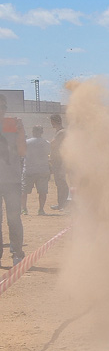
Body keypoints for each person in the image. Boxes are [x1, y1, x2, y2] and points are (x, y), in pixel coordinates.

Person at [0, 94, 26, 266]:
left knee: (14, 218)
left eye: (3, 107)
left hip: (12, 181)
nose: (1, 110)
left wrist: (21, 131)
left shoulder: (12, 126)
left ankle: (17, 252)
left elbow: (22, 151)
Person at [21, 125, 51, 216]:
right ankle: (41, 209)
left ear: (33, 131)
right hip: (43, 170)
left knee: (24, 191)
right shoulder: (47, 143)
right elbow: (48, 153)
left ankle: (24, 209)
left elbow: (22, 153)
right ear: (42, 132)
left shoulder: (26, 142)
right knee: (42, 192)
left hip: (29, 170)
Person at [48, 114, 69, 210]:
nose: (51, 123)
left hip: (60, 161)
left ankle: (63, 204)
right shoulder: (59, 131)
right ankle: (61, 203)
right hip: (57, 161)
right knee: (60, 183)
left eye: (52, 121)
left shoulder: (61, 132)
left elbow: (53, 143)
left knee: (61, 183)